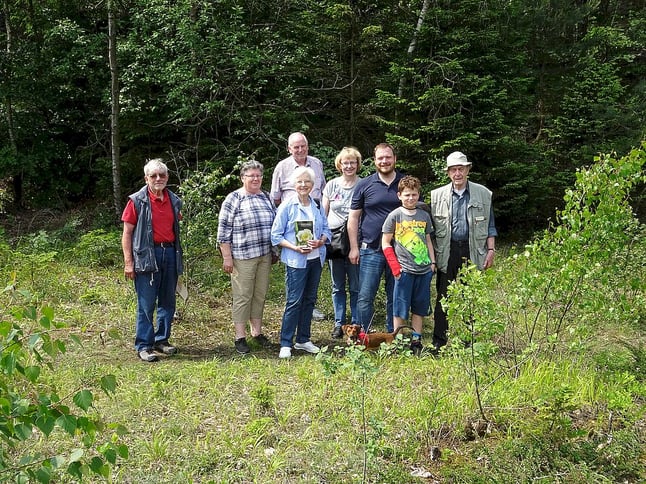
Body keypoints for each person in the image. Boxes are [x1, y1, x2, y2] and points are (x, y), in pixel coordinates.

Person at [429, 151, 497, 351]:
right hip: (446, 250)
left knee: (471, 297)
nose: (457, 173)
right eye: (453, 170)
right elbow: (430, 230)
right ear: (448, 173)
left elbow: (490, 224)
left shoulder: (483, 194)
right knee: (443, 297)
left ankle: (471, 343)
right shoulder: (437, 195)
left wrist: (491, 249)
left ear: (468, 170)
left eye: (461, 169)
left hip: (472, 250)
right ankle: (439, 342)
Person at [121, 158, 183, 362]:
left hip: (170, 254)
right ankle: (144, 345)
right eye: (153, 175)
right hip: (147, 256)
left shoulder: (174, 200)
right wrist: (129, 262)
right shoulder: (136, 201)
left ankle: (161, 340)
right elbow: (127, 234)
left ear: (167, 177)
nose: (158, 179)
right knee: (146, 304)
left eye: (162, 175)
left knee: (168, 301)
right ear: (146, 178)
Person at [271, 166, 332, 359]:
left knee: (309, 300)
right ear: (293, 184)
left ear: (313, 185)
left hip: (316, 260)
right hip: (296, 261)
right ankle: (286, 342)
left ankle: (303, 339)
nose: (303, 185)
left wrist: (320, 241)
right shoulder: (287, 206)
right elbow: (275, 235)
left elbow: (327, 231)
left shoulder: (317, 204)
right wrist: (295, 247)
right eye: (300, 182)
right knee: (294, 301)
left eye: (307, 182)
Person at [216, 160, 276, 355]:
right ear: (243, 178)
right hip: (242, 257)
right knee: (243, 296)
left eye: (258, 175)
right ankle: (240, 337)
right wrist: (227, 258)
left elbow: (275, 227)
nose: (256, 179)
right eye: (251, 176)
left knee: (259, 295)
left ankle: (257, 333)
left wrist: (275, 252)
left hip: (264, 255)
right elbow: (223, 232)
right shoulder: (234, 198)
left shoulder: (266, 197)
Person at [347, 143, 404, 333]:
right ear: (375, 161)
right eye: (380, 158)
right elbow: (353, 218)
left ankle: (392, 335)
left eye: (388, 157)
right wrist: (354, 247)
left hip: (400, 250)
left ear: (395, 159)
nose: (384, 161)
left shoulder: (405, 183)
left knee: (395, 295)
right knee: (365, 296)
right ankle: (365, 333)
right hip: (370, 249)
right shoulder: (364, 185)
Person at [270, 131, 327, 320]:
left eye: (303, 146)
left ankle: (310, 309)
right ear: (289, 148)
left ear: (308, 146)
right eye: (296, 147)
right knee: (295, 276)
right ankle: (293, 310)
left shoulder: (317, 164)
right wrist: (289, 216)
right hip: (291, 226)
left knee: (312, 271)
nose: (300, 149)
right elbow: (275, 198)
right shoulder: (282, 167)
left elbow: (323, 192)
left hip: (315, 220)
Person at [382, 176, 436, 355]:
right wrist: (395, 268)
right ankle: (398, 340)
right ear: (399, 195)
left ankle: (416, 340)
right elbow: (386, 243)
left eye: (414, 194)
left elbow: (428, 240)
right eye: (407, 195)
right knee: (400, 307)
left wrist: (432, 263)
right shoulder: (395, 216)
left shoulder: (424, 215)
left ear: (418, 195)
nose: (411, 198)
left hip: (423, 270)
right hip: (404, 271)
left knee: (419, 307)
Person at [322, 147, 361, 338]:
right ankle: (339, 323)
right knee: (338, 285)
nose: (349, 166)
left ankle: (355, 322)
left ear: (357, 164)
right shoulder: (331, 185)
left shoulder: (363, 185)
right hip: (335, 241)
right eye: (345, 162)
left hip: (356, 241)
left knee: (355, 285)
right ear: (340, 164)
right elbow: (323, 213)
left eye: (352, 162)